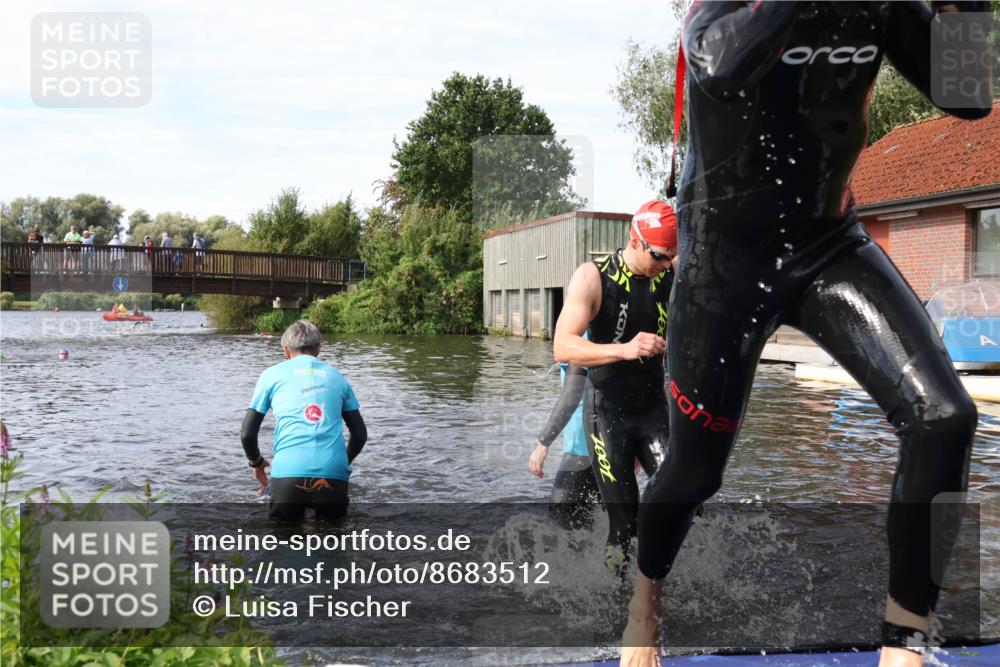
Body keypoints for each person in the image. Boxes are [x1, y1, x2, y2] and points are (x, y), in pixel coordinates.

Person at [620, 3, 993, 666]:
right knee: (695, 471)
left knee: (945, 417)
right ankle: (644, 598)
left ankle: (903, 642)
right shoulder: (722, 9)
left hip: (827, 245)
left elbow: (968, 99)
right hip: (722, 265)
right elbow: (723, 68)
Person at [553, 200, 678, 574]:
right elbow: (563, 344)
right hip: (607, 414)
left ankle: (659, 582)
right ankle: (613, 597)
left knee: (683, 500)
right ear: (635, 241)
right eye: (659, 255)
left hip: (654, 409)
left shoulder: (669, 274)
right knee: (624, 522)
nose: (665, 263)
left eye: (671, 256)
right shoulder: (593, 277)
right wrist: (625, 349)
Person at [241, 320, 368, 521]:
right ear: (319, 349)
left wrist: (256, 462)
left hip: (287, 472)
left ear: (285, 350)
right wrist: (341, 462)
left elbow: (247, 434)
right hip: (333, 472)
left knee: (284, 543)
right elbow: (360, 435)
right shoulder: (337, 377)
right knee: (333, 544)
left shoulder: (271, 375)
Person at [528, 357, 599, 529]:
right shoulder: (609, 336)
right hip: (606, 451)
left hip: (580, 453)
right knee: (597, 527)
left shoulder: (580, 339)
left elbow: (572, 395)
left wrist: (542, 444)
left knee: (558, 528)